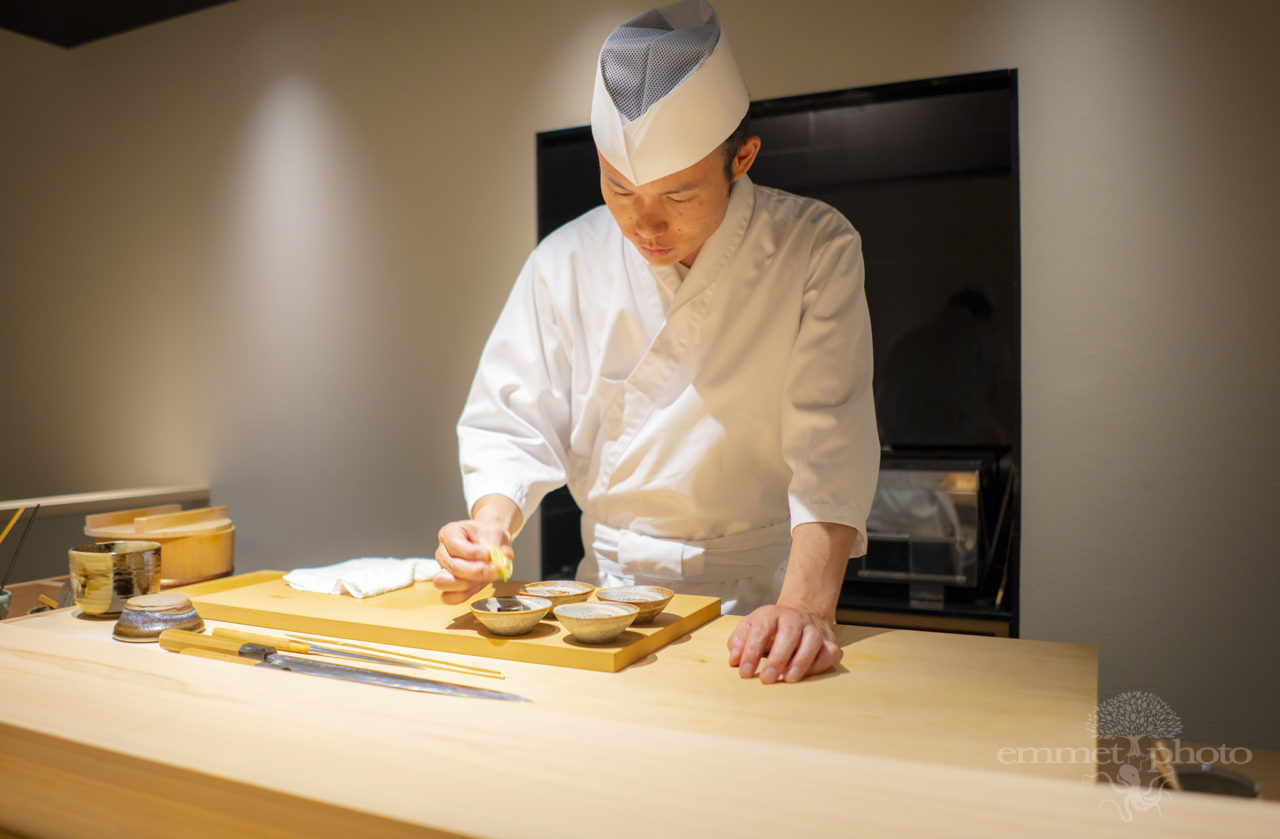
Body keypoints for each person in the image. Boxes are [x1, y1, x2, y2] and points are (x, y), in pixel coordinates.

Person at [434, 0, 879, 684]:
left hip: (759, 605)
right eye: (619, 188)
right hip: (601, 603)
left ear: (742, 159)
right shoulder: (565, 259)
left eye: (677, 196)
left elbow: (831, 440)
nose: (644, 225)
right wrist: (490, 526)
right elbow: (511, 419)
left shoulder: (814, 247)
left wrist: (806, 607)